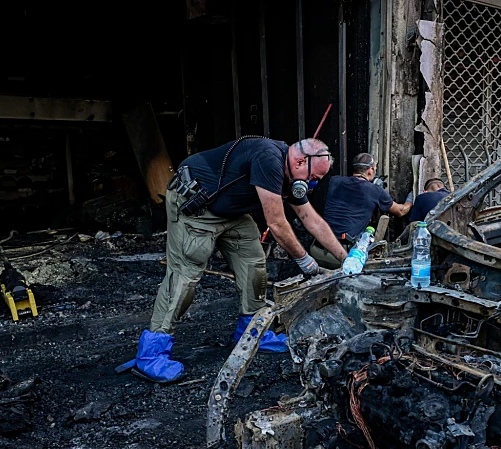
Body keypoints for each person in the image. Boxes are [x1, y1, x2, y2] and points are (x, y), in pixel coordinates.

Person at [120, 137, 348, 382]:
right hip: (195, 204)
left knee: (254, 264)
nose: (313, 184)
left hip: (229, 210)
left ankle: (250, 332)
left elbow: (311, 219)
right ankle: (151, 354)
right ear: (301, 161)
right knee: (185, 275)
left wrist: (346, 260)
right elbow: (277, 223)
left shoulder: (291, 174)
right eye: (315, 177)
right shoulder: (268, 159)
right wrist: (305, 261)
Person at [310, 152, 412, 269]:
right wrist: (410, 200)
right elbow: (400, 211)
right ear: (370, 170)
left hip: (316, 250)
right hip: (343, 256)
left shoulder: (334, 181)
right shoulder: (375, 191)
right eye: (374, 169)